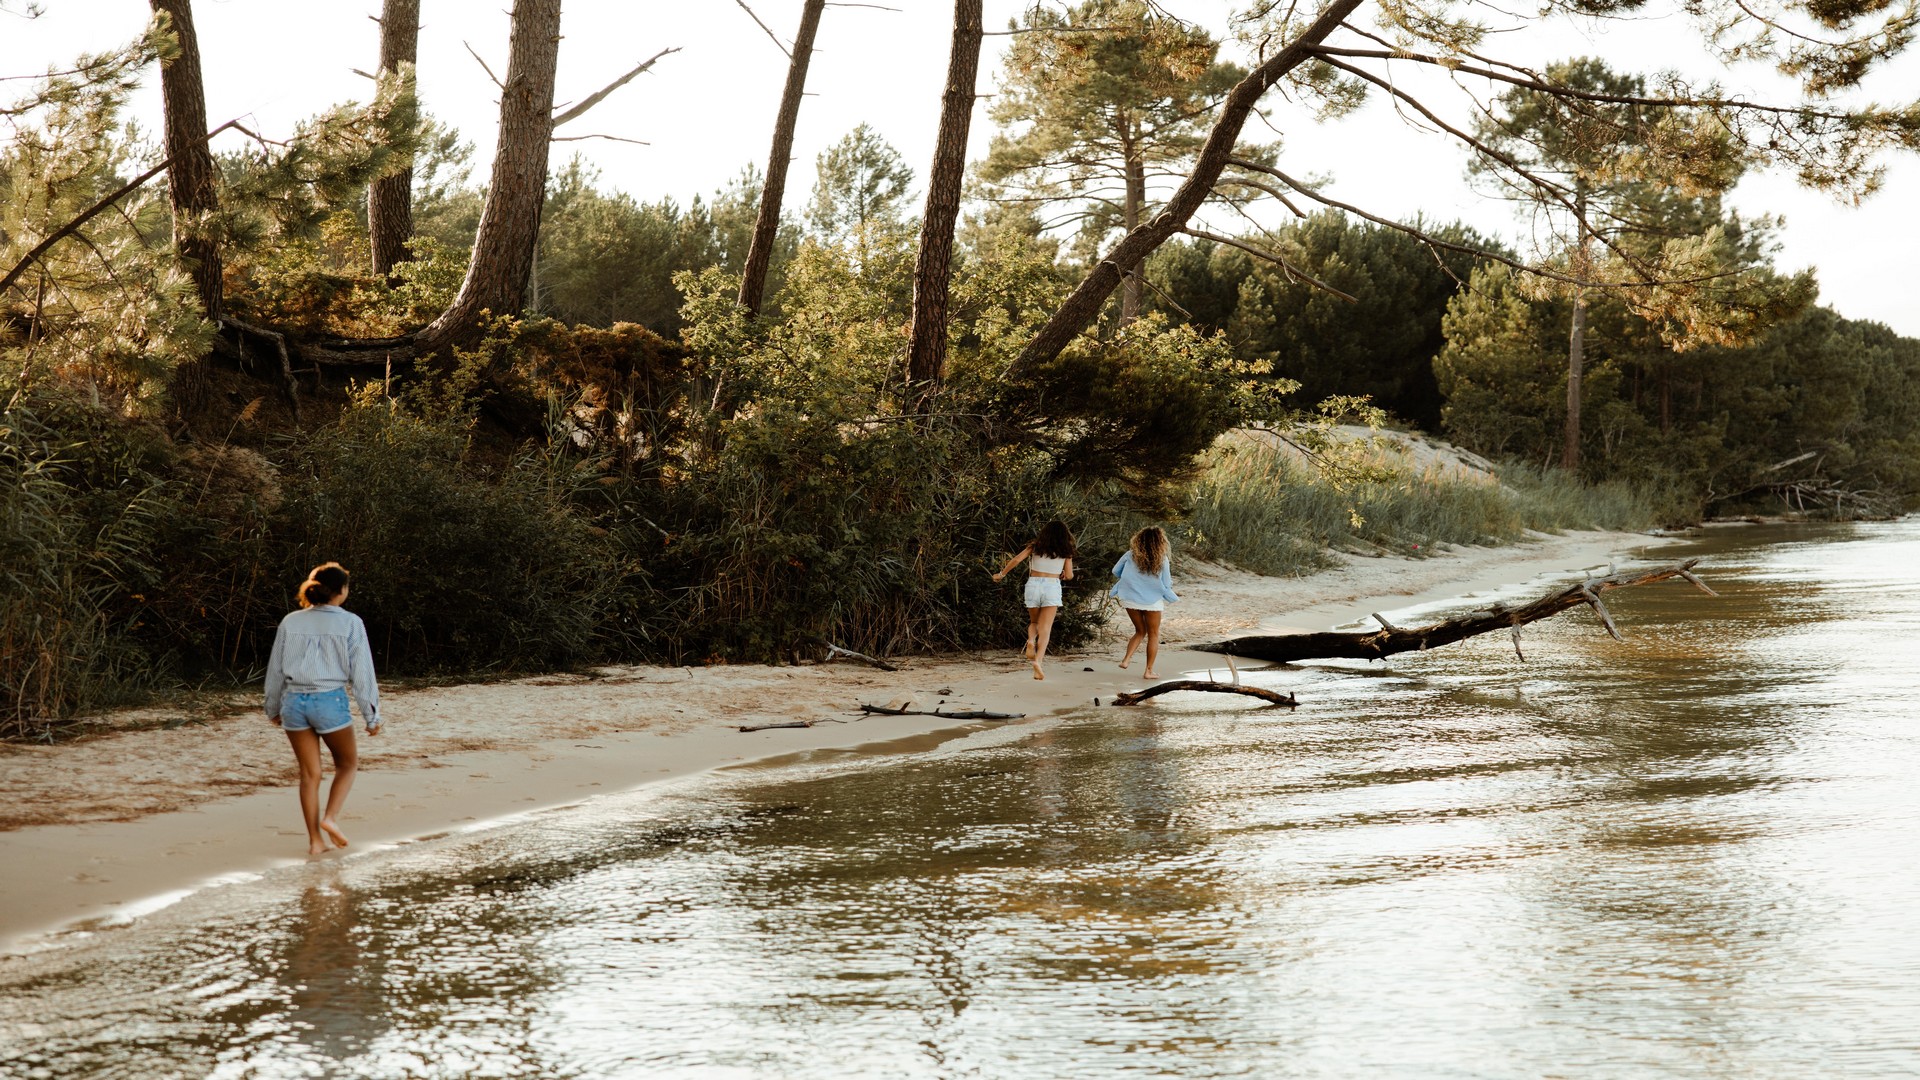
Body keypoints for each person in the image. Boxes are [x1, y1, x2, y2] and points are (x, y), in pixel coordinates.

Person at [264, 562, 382, 856]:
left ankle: (315, 841)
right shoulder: (350, 622)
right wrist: (372, 715)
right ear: (341, 590)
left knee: (309, 775)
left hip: (294, 702)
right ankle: (330, 817)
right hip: (329, 700)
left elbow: (275, 671)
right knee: (347, 764)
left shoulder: (291, 621)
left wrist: (273, 708)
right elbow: (362, 673)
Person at [992, 520, 1078, 680]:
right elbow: (1070, 575)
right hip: (1052, 586)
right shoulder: (1066, 551)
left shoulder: (1035, 546)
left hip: (1033, 585)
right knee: (1046, 628)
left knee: (1034, 623)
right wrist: (1063, 575)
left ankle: (1031, 640)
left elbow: (1017, 560)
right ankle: (1038, 661)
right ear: (1065, 535)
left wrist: (1001, 574)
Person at [1111, 526, 1179, 679]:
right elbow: (1167, 583)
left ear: (1139, 540)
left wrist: (1132, 577)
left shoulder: (1130, 555)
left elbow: (1115, 571)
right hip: (1152, 601)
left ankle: (1126, 660)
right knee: (1153, 634)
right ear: (1160, 542)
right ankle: (1148, 671)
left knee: (1140, 631)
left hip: (1130, 598)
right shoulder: (1162, 559)